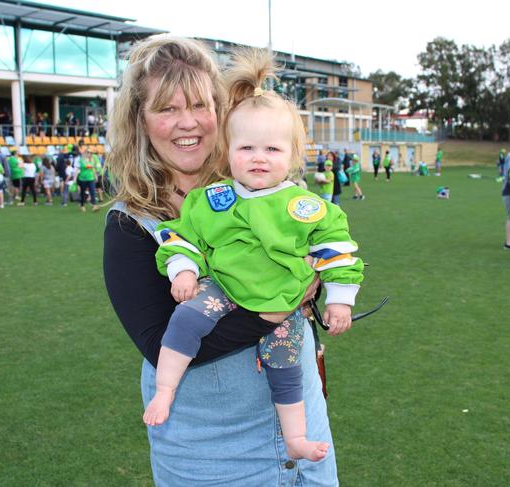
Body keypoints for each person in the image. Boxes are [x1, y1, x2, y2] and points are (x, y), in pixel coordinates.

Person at [103, 35, 350, 486]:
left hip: (302, 427)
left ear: (222, 112)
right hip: (209, 449)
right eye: (167, 109)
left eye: (199, 105)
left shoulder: (261, 186)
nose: (188, 123)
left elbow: (324, 256)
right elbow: (159, 346)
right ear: (140, 120)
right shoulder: (131, 223)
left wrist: (323, 291)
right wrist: (270, 308)